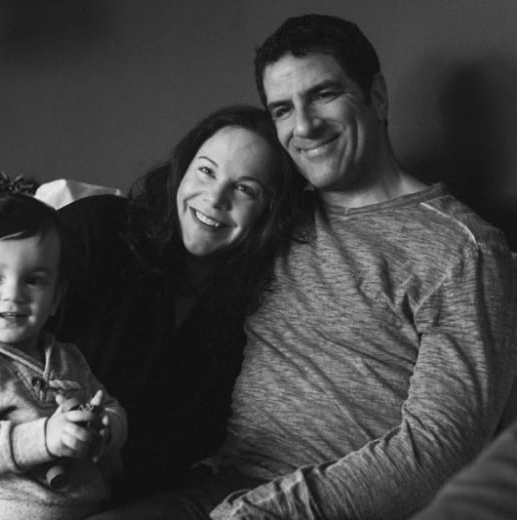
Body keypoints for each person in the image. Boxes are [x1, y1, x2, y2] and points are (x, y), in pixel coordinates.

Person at [86, 13, 517, 520]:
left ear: (376, 96)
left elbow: (440, 447)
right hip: (210, 488)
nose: (304, 125)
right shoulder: (274, 214)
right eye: (283, 109)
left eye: (324, 95)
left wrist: (265, 511)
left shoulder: (462, 251)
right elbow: (170, 231)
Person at [0, 104, 304, 520]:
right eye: (205, 171)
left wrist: (106, 439)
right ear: (181, 174)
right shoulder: (103, 230)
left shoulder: (243, 321)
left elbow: (171, 451)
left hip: (60, 476)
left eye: (245, 188)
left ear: (270, 213)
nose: (216, 196)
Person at [0, 191, 128, 520]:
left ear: (55, 298)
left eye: (33, 280)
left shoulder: (69, 357)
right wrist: (44, 437)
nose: (13, 294)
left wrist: (108, 427)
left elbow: (108, 403)